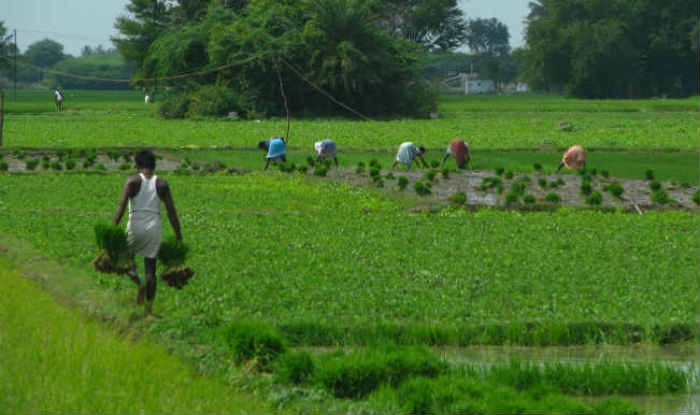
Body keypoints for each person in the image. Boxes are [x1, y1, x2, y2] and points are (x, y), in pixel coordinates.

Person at [113, 150, 182, 315]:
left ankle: (138, 283)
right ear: (153, 165)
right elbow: (171, 212)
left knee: (124, 260)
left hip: (135, 225)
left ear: (137, 165)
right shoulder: (162, 184)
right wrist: (178, 234)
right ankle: (149, 310)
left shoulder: (132, 181)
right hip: (154, 227)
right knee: (150, 270)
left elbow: (121, 206)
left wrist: (113, 227)